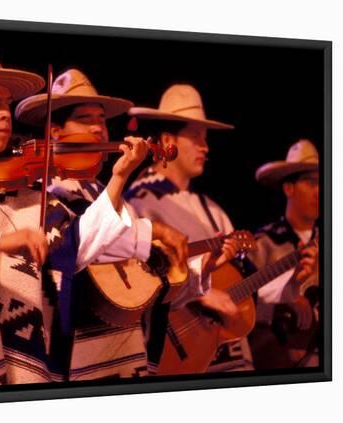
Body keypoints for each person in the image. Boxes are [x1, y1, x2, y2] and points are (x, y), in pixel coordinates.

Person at [0, 39, 151, 388]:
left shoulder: (18, 185)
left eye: (7, 104)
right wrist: (1, 242)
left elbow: (73, 248)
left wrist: (118, 177)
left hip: (19, 357)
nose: (6, 114)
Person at [16, 70, 200, 378]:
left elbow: (129, 261)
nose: (99, 129)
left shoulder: (97, 189)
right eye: (86, 119)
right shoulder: (37, 190)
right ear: (56, 131)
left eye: (101, 120)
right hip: (77, 358)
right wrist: (122, 179)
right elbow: (75, 248)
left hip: (121, 350)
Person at [125, 84, 254, 373]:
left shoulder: (212, 209)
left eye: (205, 139)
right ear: (168, 139)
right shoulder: (139, 203)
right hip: (177, 350)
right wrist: (201, 293)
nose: (205, 147)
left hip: (222, 346)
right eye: (196, 137)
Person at [247, 139, 320, 369]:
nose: (320, 191)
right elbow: (243, 305)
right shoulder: (264, 244)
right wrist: (284, 303)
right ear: (288, 188)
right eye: (311, 183)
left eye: (323, 183)